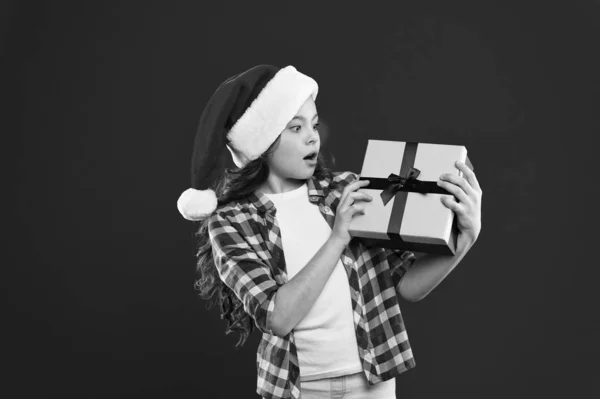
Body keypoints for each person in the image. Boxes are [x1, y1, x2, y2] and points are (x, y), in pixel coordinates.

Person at [176, 65, 482, 399]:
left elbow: (407, 285)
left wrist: (465, 237)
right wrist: (337, 238)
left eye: (314, 123)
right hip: (297, 389)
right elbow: (278, 317)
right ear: (262, 142)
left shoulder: (346, 190)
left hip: (373, 384)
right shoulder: (232, 221)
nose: (313, 136)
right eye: (295, 127)